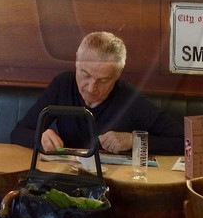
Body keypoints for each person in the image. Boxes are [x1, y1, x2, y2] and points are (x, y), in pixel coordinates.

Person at [10, 31, 184, 155]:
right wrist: (39, 137)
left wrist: (133, 141)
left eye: (103, 80)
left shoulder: (129, 98)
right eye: (85, 74)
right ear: (77, 60)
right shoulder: (63, 85)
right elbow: (18, 132)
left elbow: (182, 141)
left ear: (118, 74)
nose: (91, 87)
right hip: (66, 179)